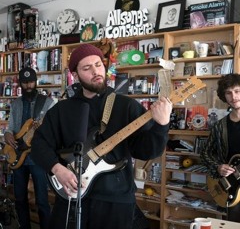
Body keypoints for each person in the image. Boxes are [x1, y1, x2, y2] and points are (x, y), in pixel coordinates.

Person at [31, 43, 172, 229]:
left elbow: (147, 151)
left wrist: (161, 125)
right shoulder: (61, 110)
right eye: (87, 68)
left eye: (98, 64)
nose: (95, 71)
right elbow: (39, 145)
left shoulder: (127, 106)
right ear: (75, 75)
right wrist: (58, 170)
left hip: (115, 200)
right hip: (70, 197)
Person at [4, 67, 55, 229]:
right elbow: (10, 128)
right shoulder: (16, 103)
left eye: (31, 82)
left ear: (36, 82)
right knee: (19, 198)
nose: (29, 86)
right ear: (20, 84)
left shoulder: (47, 103)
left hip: (38, 157)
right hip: (18, 156)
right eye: (25, 83)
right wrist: (7, 135)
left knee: (42, 200)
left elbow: (54, 129)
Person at [200, 73, 240, 222]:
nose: (234, 96)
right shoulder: (219, 126)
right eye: (229, 93)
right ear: (224, 97)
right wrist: (218, 167)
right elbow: (205, 153)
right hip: (231, 188)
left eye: (237, 91)